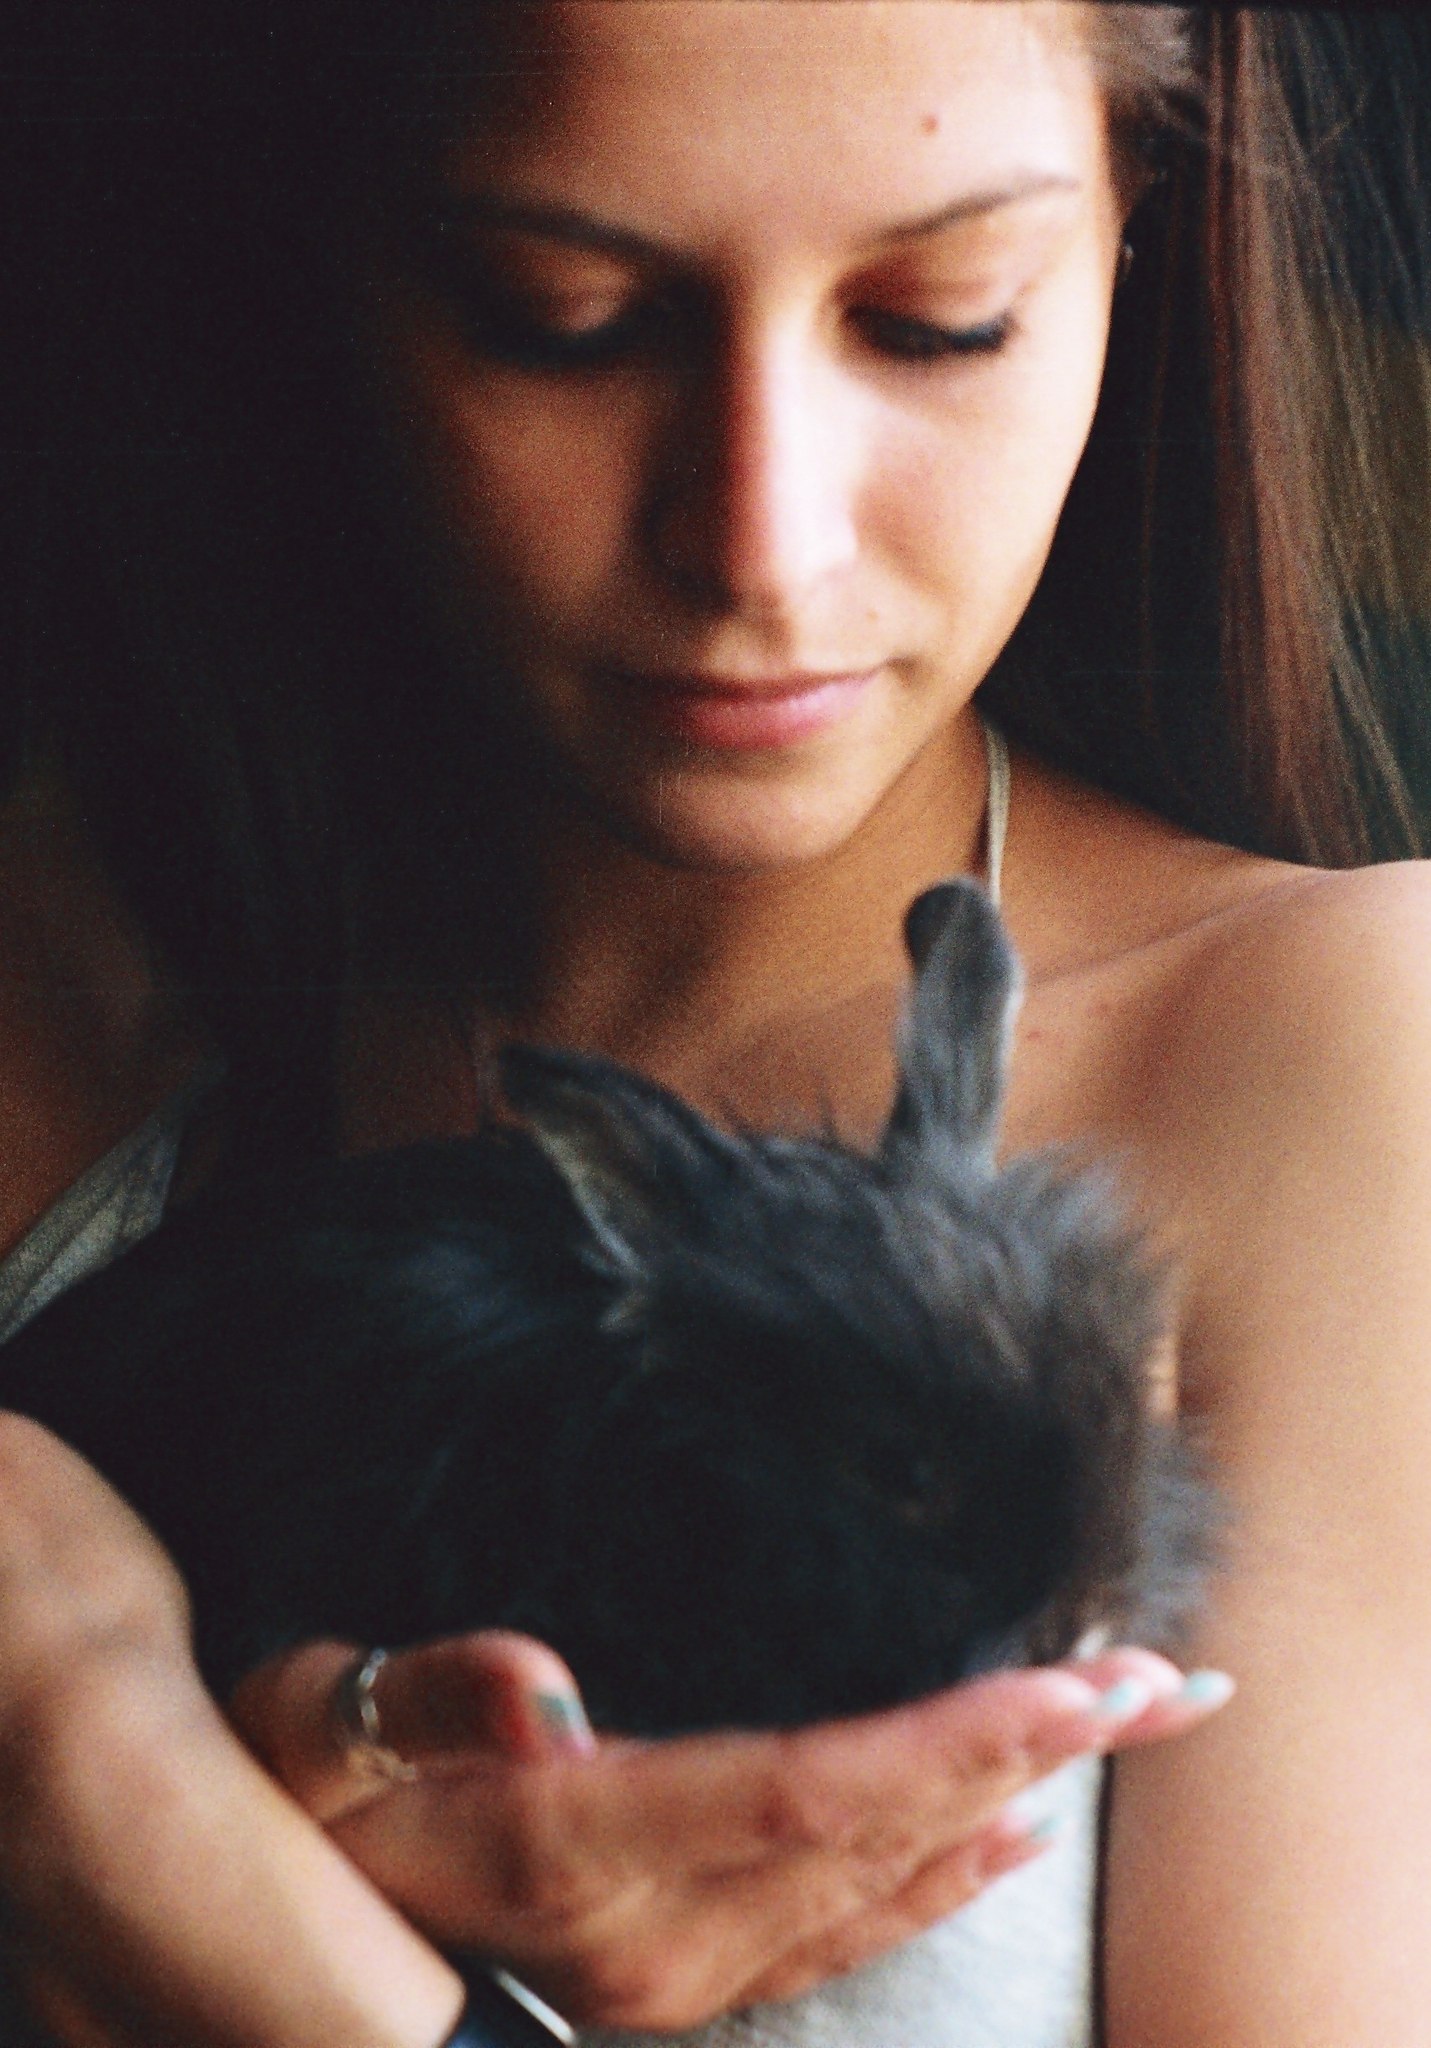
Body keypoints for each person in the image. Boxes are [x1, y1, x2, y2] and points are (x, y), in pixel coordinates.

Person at [0, 2, 1428, 2043]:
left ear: (1136, 215)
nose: (764, 543)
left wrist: (213, 1892)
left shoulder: (1340, 1063)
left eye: (938, 318)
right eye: (563, 320)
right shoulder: (65, 983)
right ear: (319, 237)